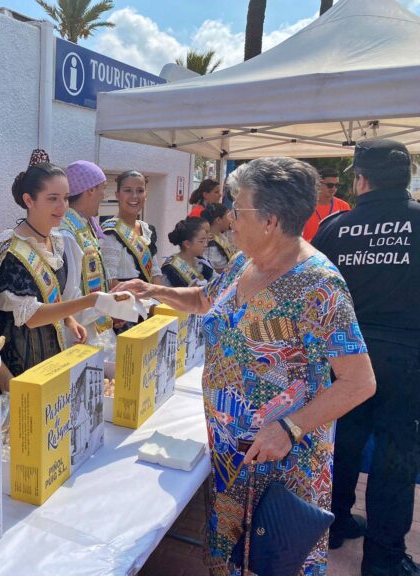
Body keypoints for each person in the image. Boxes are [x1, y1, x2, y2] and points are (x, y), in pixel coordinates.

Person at [116, 156, 376, 576]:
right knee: (229, 559)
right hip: (231, 457)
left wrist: (290, 428)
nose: (229, 219)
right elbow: (205, 301)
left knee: (270, 562)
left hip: (281, 462)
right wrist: (151, 290)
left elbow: (359, 382)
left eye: (239, 210)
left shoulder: (319, 285)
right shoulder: (244, 261)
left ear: (270, 220)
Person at [313, 139, 420, 576]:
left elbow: (314, 291)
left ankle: (333, 524)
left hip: (346, 357)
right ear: (407, 177)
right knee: (396, 456)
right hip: (407, 358)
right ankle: (383, 557)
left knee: (345, 441)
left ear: (359, 179)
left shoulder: (336, 227)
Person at [0, 149, 97, 377]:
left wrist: (69, 320)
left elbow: (52, 294)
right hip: (24, 353)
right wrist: (88, 301)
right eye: (52, 199)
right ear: (29, 200)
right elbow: (30, 317)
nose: (63, 207)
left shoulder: (56, 240)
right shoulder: (13, 250)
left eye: (66, 198)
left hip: (52, 344)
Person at [60, 160, 114, 349]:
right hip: (81, 334)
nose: (104, 195)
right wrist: (110, 305)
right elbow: (70, 297)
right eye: (103, 188)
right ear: (90, 190)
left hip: (94, 326)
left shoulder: (83, 225)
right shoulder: (67, 233)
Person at [101, 170, 163, 287]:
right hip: (123, 301)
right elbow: (109, 281)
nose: (134, 196)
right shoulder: (110, 232)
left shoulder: (147, 230)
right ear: (117, 195)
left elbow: (155, 273)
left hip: (149, 300)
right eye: (128, 190)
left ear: (146, 195)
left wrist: (158, 298)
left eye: (140, 191)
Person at [160, 217, 214, 288]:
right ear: (187, 244)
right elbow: (164, 295)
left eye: (205, 241)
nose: (205, 244)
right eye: (201, 241)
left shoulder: (203, 263)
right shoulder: (171, 268)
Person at [302, 167, 351, 241]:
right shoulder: (303, 205)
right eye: (330, 185)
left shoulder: (343, 206)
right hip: (309, 250)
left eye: (337, 185)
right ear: (318, 184)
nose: (334, 189)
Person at [202, 203, 237, 273]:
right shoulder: (210, 243)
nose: (231, 219)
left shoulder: (221, 236)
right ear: (218, 220)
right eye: (228, 216)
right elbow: (217, 269)